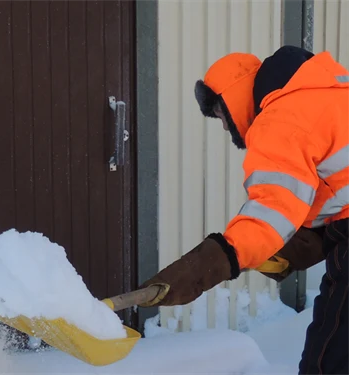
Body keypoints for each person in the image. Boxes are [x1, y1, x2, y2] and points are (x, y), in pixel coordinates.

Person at [139, 45, 349, 375]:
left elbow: (270, 211)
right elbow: (336, 185)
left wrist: (201, 268)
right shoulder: (330, 90)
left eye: (222, 116)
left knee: (328, 361)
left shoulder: (281, 118)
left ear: (233, 98)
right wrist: (309, 241)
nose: (225, 128)